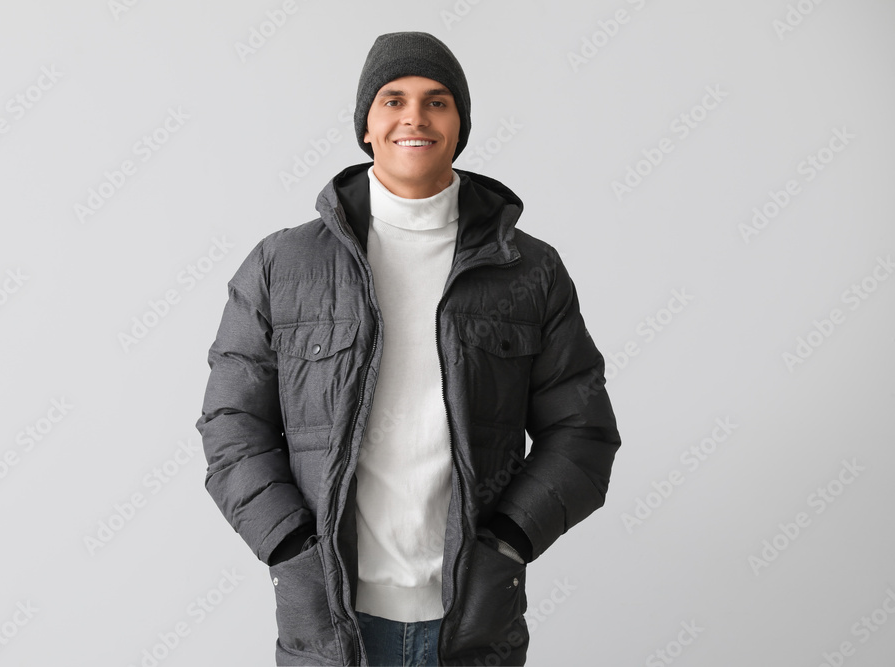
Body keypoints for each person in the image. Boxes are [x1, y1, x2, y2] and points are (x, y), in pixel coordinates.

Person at [196, 31, 621, 666]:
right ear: (366, 125)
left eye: (437, 101)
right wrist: (291, 547)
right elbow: (231, 425)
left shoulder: (528, 270)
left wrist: (507, 542)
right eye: (392, 100)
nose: (414, 117)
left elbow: (583, 433)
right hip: (331, 627)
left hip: (472, 624)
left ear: (460, 125)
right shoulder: (282, 265)